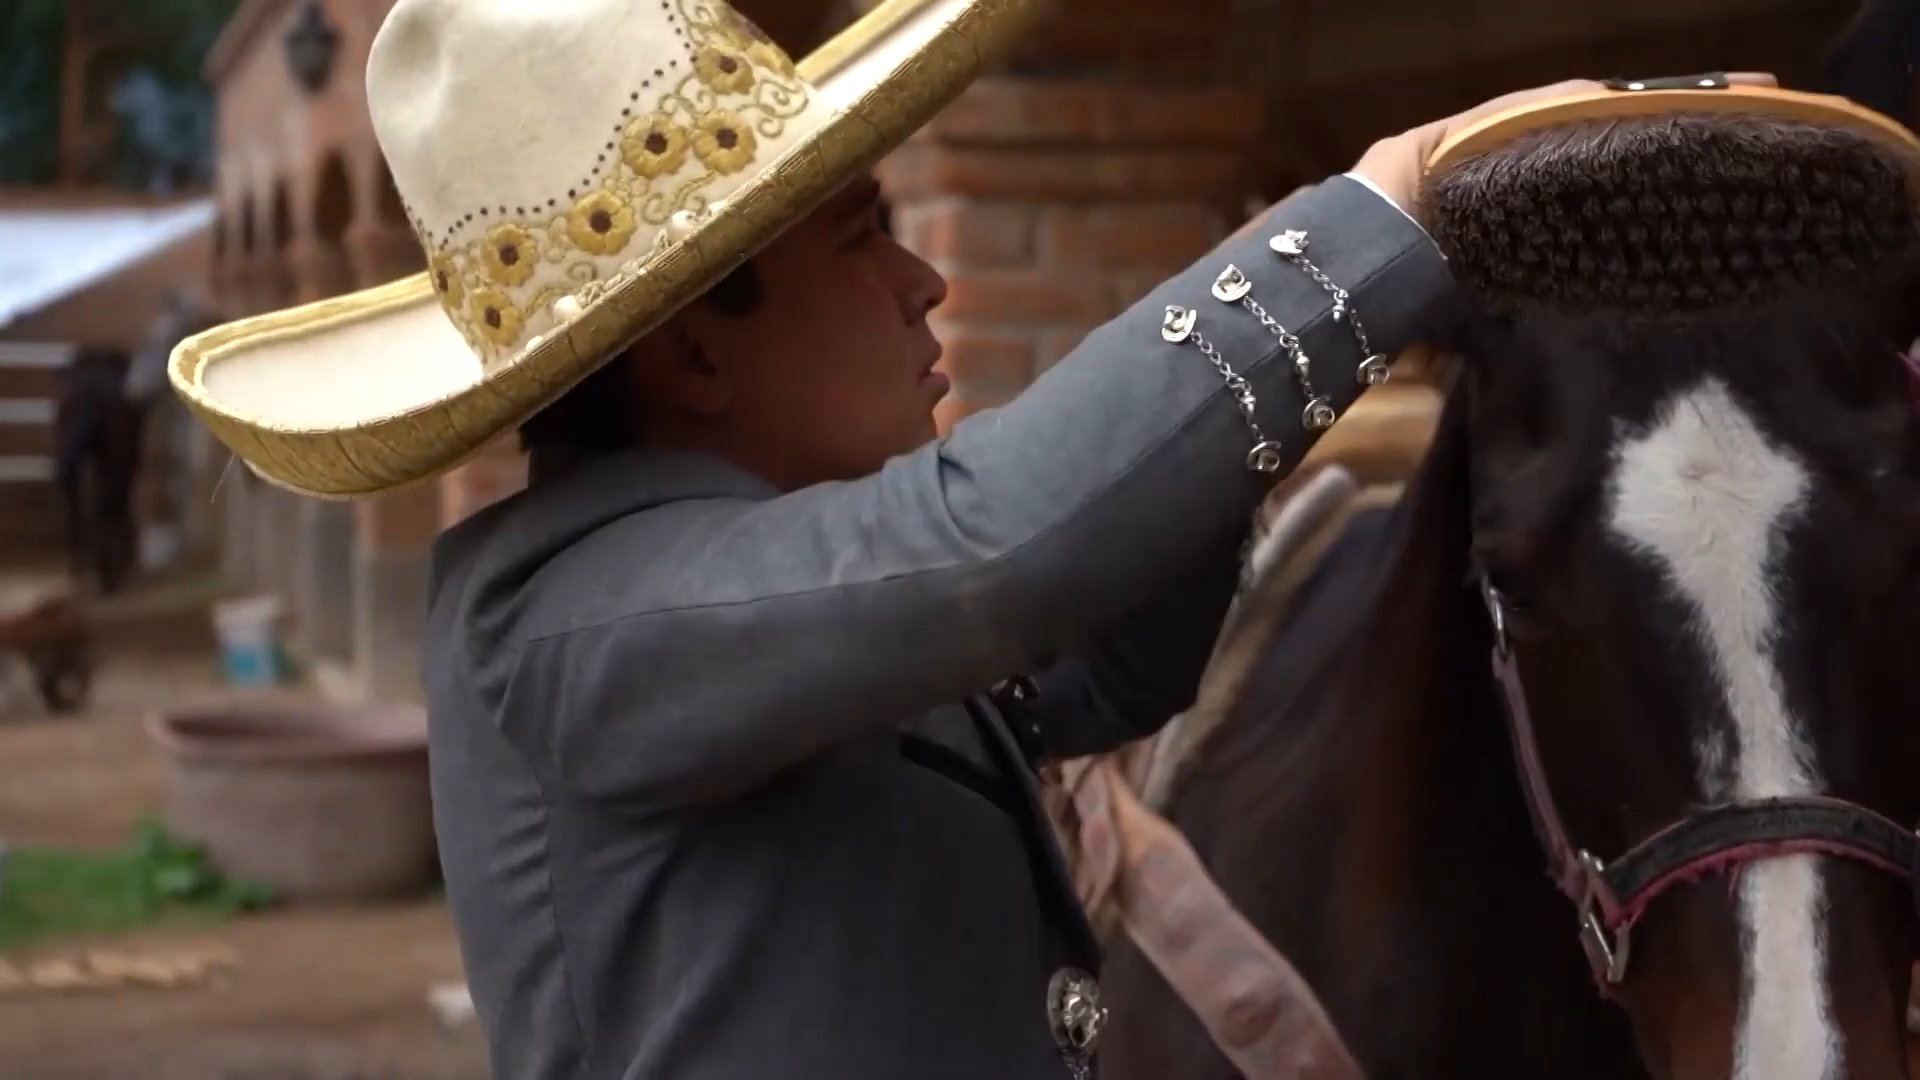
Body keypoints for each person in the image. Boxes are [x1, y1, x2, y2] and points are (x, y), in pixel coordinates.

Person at [161, 2, 1775, 1077]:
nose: (927, 288)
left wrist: (1278, 382)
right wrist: (1386, 216)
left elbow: (1101, 649)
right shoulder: (571, 615)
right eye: (872, 244)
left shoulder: (778, 579)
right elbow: (1009, 547)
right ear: (696, 354)